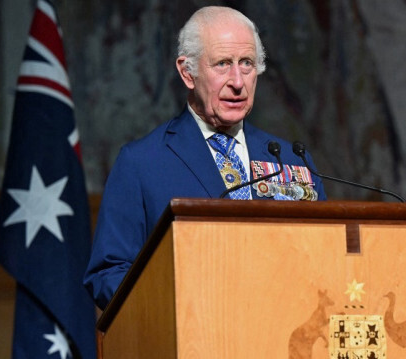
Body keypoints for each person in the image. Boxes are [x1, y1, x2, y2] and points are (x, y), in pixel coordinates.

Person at [83, 6, 326, 309]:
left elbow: (323, 259)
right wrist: (184, 301)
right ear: (188, 73)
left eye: (247, 64)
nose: (237, 81)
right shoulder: (142, 162)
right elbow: (108, 274)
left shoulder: (290, 159)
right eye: (222, 64)